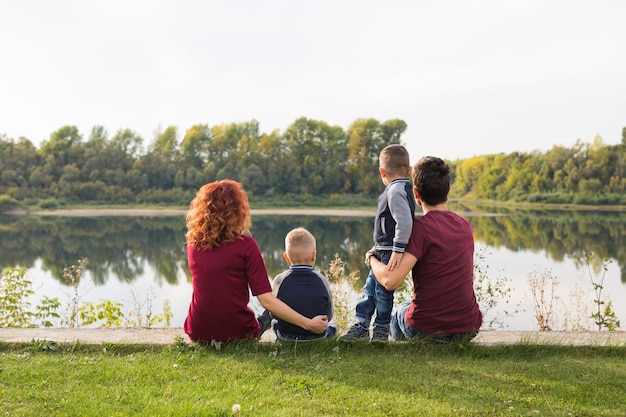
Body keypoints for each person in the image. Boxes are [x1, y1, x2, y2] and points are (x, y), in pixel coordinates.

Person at [183, 179, 329, 343]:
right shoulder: (246, 246)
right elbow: (266, 300)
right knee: (270, 310)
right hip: (237, 333)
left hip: (198, 331)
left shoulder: (193, 245)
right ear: (238, 210)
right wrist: (309, 324)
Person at [368, 156, 482, 342]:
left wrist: (371, 259)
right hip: (468, 328)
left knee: (398, 313)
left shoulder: (420, 229)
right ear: (447, 190)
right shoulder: (465, 226)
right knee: (407, 306)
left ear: (416, 194)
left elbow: (390, 281)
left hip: (426, 330)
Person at [342, 144, 416, 342]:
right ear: (409, 170)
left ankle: (381, 329)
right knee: (369, 290)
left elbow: (405, 222)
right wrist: (378, 247)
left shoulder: (395, 191)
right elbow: (389, 225)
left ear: (381, 172)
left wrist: (398, 250)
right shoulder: (403, 188)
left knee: (383, 294)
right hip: (383, 250)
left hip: (390, 254)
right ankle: (361, 325)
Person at [258, 227, 337, 341]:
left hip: (285, 336)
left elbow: (274, 313)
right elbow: (328, 313)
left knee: (274, 321)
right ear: (314, 255)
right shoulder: (321, 279)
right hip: (317, 336)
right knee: (334, 326)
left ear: (286, 257)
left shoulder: (280, 280)